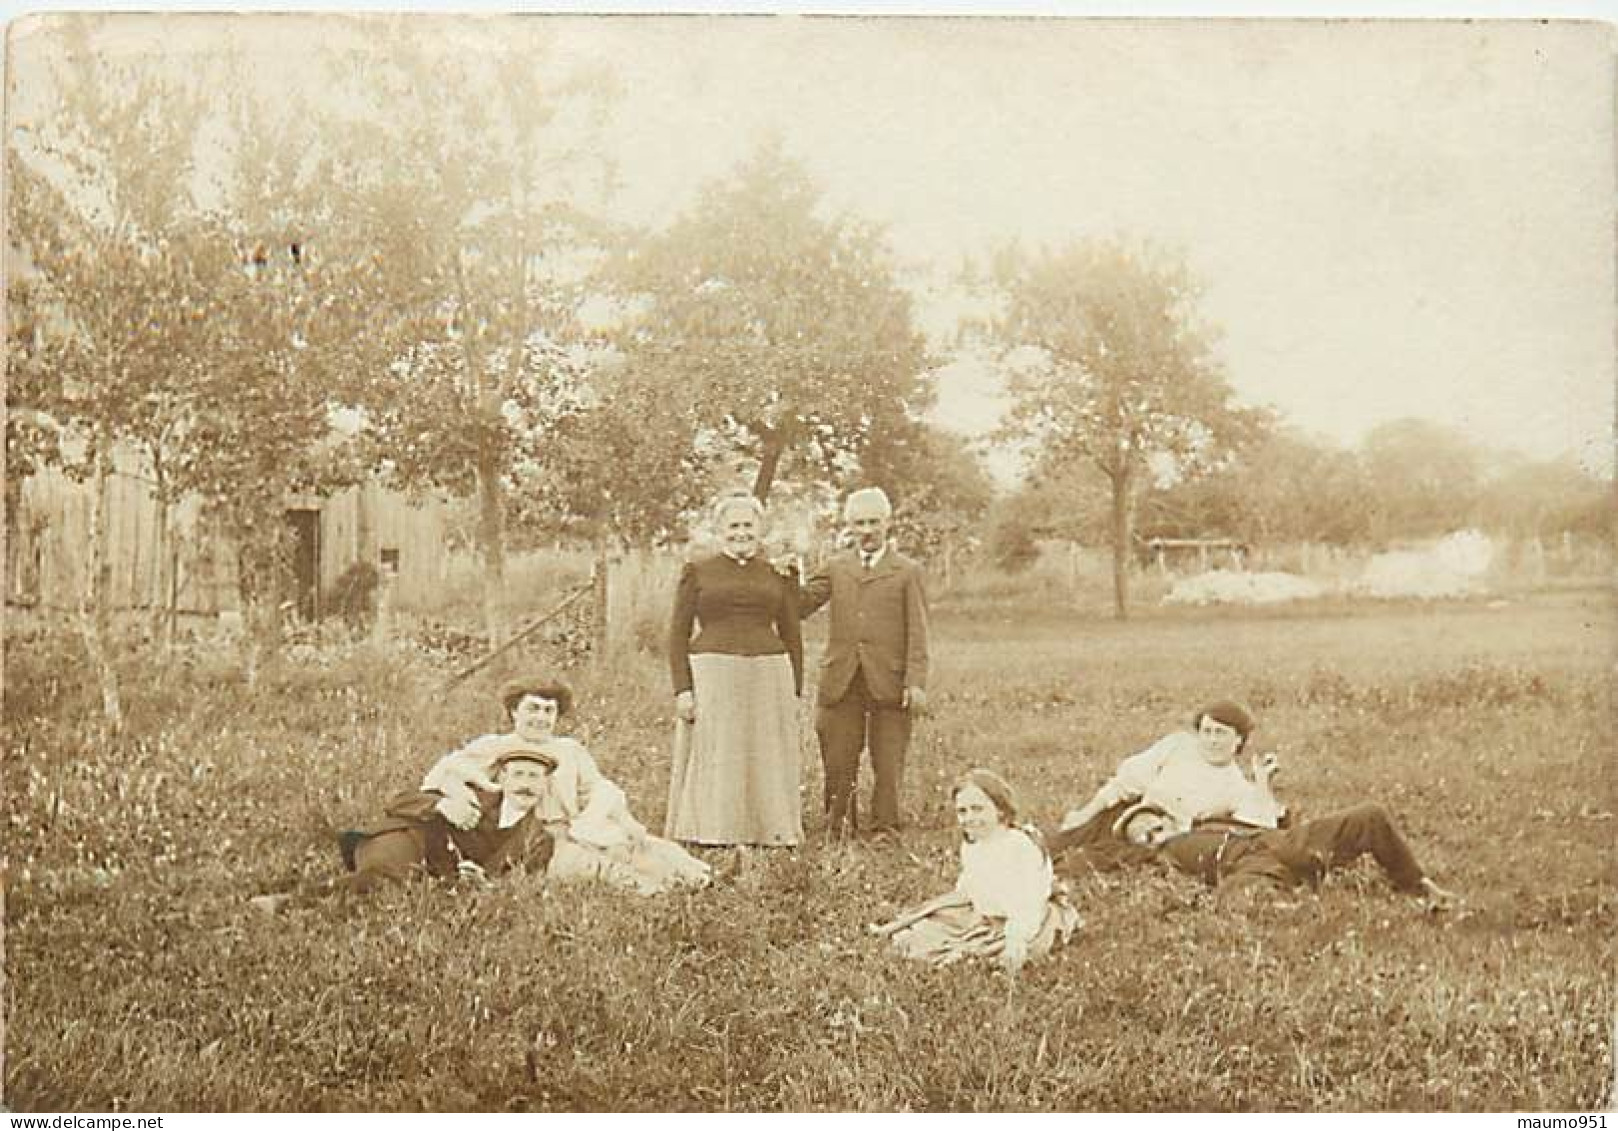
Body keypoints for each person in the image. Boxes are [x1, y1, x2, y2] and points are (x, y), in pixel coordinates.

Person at [423, 677, 711, 895]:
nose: (540, 718)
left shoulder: (569, 750)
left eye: (549, 711)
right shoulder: (496, 746)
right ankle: (657, 893)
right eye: (532, 708)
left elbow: (599, 790)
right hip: (535, 840)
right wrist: (458, 795)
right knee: (602, 869)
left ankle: (701, 880)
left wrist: (616, 822)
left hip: (577, 828)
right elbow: (444, 772)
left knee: (643, 847)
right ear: (513, 712)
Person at [247, 747, 559, 912]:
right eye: (519, 774)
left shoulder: (538, 838)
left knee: (393, 894)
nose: (526, 784)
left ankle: (314, 907)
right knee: (386, 877)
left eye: (535, 777)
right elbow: (399, 801)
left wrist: (483, 883)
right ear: (503, 778)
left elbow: (516, 883)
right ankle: (290, 903)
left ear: (545, 785)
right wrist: (439, 806)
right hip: (407, 836)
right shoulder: (472, 794)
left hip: (437, 876)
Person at [666, 492, 805, 847]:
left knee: (765, 750)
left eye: (748, 525)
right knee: (717, 750)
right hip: (713, 672)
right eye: (734, 525)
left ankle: (770, 829)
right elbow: (677, 634)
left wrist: (796, 691)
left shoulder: (778, 572)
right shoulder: (698, 571)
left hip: (768, 671)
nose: (741, 532)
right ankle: (713, 830)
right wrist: (683, 688)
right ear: (719, 530)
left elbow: (792, 633)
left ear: (760, 529)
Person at [800, 487, 931, 840]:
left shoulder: (907, 571)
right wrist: (781, 578)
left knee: (888, 760)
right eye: (860, 523)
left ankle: (885, 827)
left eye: (874, 522)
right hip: (842, 677)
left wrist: (915, 682)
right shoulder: (837, 566)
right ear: (849, 526)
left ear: (888, 523)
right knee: (838, 754)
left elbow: (919, 631)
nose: (868, 530)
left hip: (889, 679)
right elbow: (801, 604)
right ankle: (839, 824)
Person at [871, 769, 1080, 974]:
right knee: (920, 933)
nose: (969, 818)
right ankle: (962, 942)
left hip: (1027, 919)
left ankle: (978, 951)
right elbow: (971, 889)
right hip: (985, 914)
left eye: (978, 809)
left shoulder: (1020, 847)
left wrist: (1015, 939)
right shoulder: (973, 845)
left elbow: (1028, 904)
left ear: (1000, 810)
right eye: (963, 811)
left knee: (987, 953)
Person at [1048, 700, 1286, 865]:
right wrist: (1085, 813)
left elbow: (1260, 831)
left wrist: (1263, 782)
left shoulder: (1236, 787)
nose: (1212, 741)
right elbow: (1125, 783)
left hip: (1157, 844)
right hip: (1125, 817)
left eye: (1221, 733)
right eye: (1207, 731)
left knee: (1080, 865)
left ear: (1239, 740)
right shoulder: (1178, 746)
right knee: (1051, 849)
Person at [1112, 799, 1460, 908]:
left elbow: (1262, 813)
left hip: (1286, 840)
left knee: (1369, 815)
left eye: (1155, 828)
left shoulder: (1207, 821)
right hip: (1245, 867)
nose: (1154, 838)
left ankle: (1418, 884)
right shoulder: (1162, 856)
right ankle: (1303, 904)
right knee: (1239, 901)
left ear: (1169, 819)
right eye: (1144, 838)